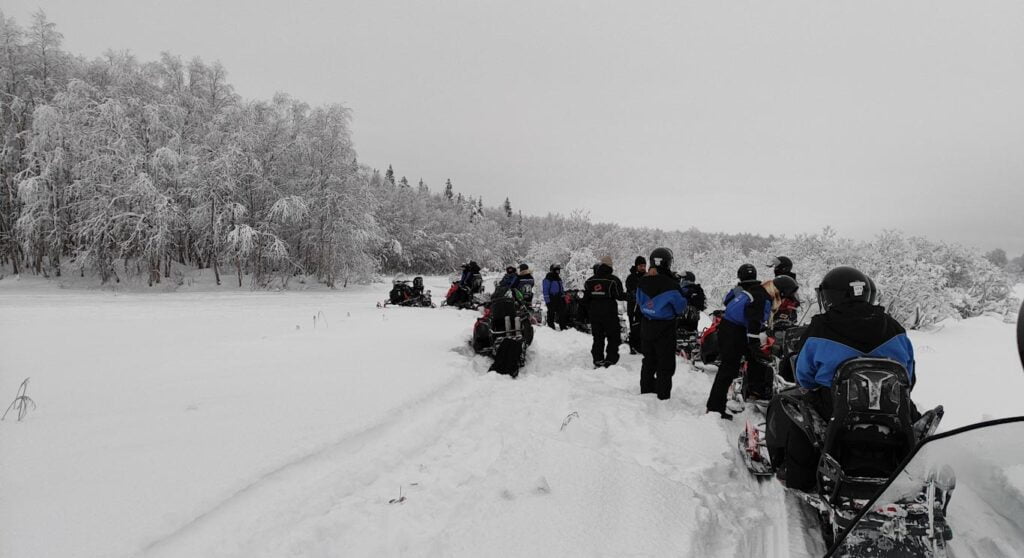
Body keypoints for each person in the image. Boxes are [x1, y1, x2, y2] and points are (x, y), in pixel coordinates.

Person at [765, 266, 915, 491]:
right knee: (918, 423)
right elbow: (909, 376)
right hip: (891, 406)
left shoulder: (821, 327)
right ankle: (914, 472)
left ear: (830, 296)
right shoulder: (894, 327)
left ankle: (798, 476)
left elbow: (804, 377)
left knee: (785, 404)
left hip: (834, 406)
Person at [705, 264, 770, 419]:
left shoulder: (743, 291)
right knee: (729, 369)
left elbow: (727, 301)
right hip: (736, 331)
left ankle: (719, 403)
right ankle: (715, 407)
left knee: (730, 368)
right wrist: (754, 342)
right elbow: (755, 319)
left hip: (728, 327)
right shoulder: (760, 294)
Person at [635, 248, 687, 399]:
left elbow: (638, 300)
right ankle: (662, 395)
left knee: (648, 360)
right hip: (665, 327)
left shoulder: (642, 281)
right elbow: (680, 307)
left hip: (647, 324)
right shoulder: (672, 284)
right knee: (665, 363)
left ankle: (646, 390)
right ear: (668, 263)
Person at [583, 256, 626, 368]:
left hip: (595, 314)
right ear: (610, 266)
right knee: (613, 337)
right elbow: (619, 296)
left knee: (598, 337)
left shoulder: (589, 281)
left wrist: (588, 312)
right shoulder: (613, 280)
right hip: (609, 313)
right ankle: (610, 359)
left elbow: (585, 300)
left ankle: (598, 359)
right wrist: (633, 296)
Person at [625, 256, 647, 354]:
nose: (643, 268)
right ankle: (634, 347)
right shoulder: (631, 277)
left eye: (644, 266)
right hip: (634, 308)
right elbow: (632, 291)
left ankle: (643, 347)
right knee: (635, 328)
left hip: (646, 307)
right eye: (641, 266)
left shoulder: (647, 276)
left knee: (645, 328)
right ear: (637, 266)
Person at [543, 264, 568, 330]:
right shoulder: (548, 278)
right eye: (556, 270)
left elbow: (561, 288)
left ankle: (563, 327)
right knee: (551, 313)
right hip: (552, 298)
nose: (558, 271)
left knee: (562, 312)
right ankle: (551, 328)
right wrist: (547, 301)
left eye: (558, 270)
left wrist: (563, 296)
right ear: (552, 270)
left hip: (559, 298)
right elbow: (545, 289)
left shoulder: (558, 278)